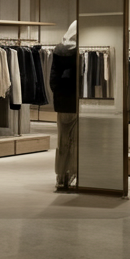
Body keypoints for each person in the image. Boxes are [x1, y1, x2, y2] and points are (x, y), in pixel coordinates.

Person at [51, 21, 79, 190]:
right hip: (78, 101)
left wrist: (59, 93)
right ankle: (74, 174)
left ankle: (61, 176)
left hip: (62, 102)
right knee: (76, 141)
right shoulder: (82, 51)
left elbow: (53, 80)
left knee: (63, 140)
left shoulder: (58, 50)